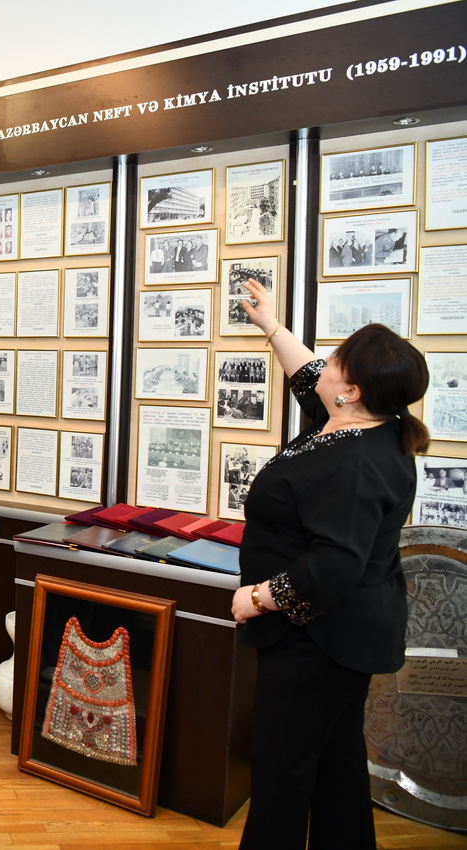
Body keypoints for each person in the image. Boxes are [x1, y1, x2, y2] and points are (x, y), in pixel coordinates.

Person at [230, 278, 429, 850]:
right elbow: (308, 372)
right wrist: (271, 324)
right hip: (344, 634)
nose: (327, 362)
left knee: (282, 768)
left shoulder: (353, 464)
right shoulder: (367, 422)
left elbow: (335, 565)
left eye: (338, 359)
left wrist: (258, 598)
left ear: (353, 391)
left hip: (317, 638)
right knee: (336, 763)